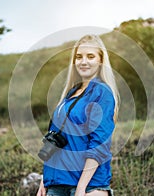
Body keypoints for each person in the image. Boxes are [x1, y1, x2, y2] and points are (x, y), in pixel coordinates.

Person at [37, 34, 120, 196]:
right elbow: (55, 140)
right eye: (79, 57)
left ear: (101, 61)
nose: (83, 61)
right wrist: (44, 179)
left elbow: (98, 144)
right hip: (57, 183)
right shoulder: (70, 95)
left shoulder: (101, 92)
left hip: (87, 186)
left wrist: (81, 188)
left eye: (90, 56)